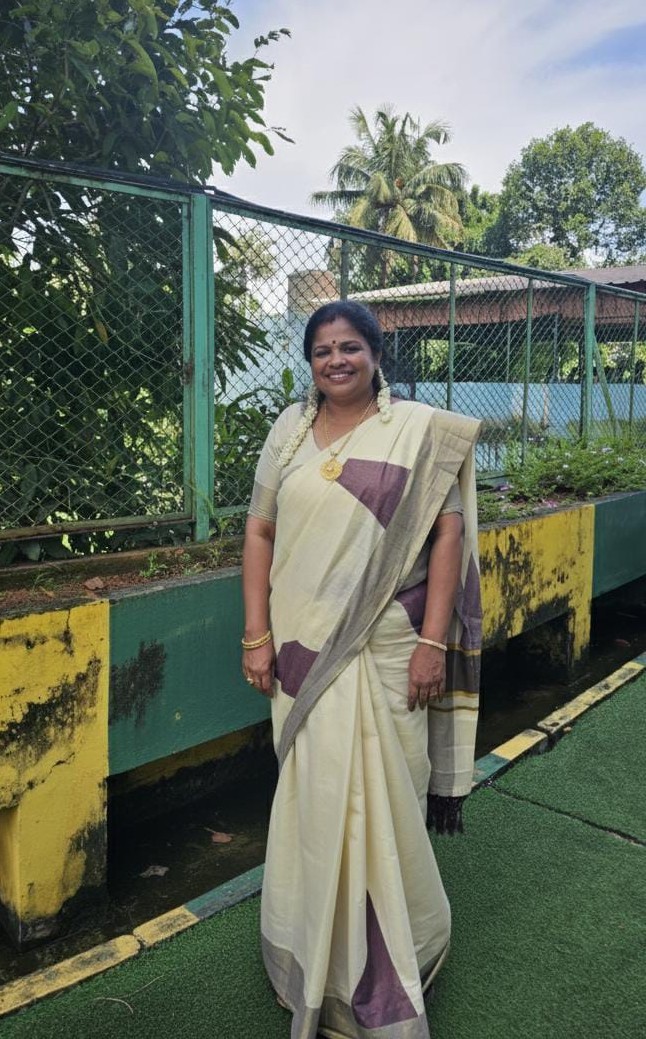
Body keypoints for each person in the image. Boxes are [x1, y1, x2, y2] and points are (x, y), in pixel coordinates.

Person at [241, 300, 482, 1039]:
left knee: (390, 797)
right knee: (313, 800)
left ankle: (402, 952)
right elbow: (259, 531)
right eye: (322, 350)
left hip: (390, 646)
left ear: (376, 354)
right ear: (310, 362)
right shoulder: (289, 430)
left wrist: (433, 643)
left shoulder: (418, 431)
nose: (335, 360)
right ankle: (309, 955)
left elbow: (447, 535)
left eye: (349, 347)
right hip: (303, 646)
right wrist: (256, 634)